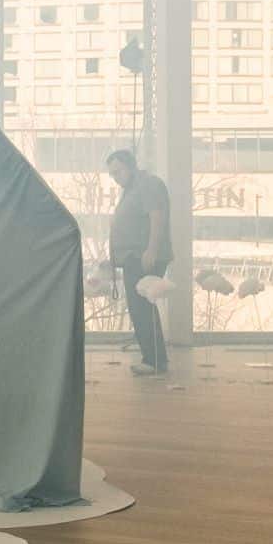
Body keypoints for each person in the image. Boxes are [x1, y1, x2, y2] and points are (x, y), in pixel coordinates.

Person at [104, 148, 171, 377]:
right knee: (139, 307)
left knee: (141, 307)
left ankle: (154, 360)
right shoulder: (131, 189)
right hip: (133, 257)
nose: (116, 178)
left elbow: (157, 216)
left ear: (131, 166)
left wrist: (151, 250)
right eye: (112, 174)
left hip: (143, 256)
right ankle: (154, 358)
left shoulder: (149, 184)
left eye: (118, 171)